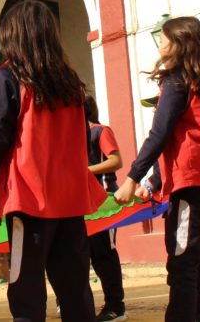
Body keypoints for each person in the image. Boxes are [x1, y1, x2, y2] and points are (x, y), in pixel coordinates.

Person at [0, 0, 105, 322]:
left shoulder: (9, 77)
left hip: (29, 201)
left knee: (26, 292)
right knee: (75, 291)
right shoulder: (70, 83)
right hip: (70, 200)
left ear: (12, 36)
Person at [115, 16, 200, 322]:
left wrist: (132, 178)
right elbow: (180, 135)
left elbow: (160, 134)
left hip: (194, 182)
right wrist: (154, 180)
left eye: (164, 38)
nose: (160, 43)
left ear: (179, 43)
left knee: (183, 263)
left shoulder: (176, 80)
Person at [84, 96, 127, 321]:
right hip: (83, 204)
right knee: (85, 255)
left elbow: (116, 161)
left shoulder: (100, 131)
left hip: (104, 202)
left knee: (104, 255)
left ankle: (116, 306)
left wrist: (85, 170)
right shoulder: (73, 136)